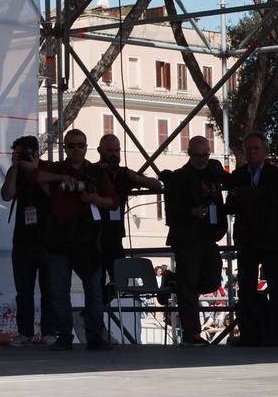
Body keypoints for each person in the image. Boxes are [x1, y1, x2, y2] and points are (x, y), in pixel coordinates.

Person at [27, 128, 119, 350]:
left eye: (80, 145)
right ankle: (64, 336)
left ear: (87, 147)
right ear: (65, 148)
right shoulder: (57, 168)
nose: (76, 149)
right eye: (71, 145)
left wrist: (95, 198)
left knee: (94, 290)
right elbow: (32, 176)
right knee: (58, 289)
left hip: (87, 237)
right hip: (59, 235)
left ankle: (95, 336)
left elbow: (114, 201)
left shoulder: (96, 172)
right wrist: (61, 177)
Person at [225, 132, 278, 347]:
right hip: (247, 239)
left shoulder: (277, 174)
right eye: (249, 149)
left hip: (272, 238)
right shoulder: (238, 174)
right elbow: (231, 205)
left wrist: (244, 195)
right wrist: (249, 196)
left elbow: (274, 202)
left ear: (265, 151)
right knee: (246, 286)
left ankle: (272, 333)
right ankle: (249, 332)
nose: (252, 152)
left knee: (276, 287)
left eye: (256, 148)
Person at [161, 135, 228, 346]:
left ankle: (174, 281)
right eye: (197, 155)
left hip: (209, 236)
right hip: (187, 238)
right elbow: (170, 213)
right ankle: (192, 332)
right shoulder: (179, 178)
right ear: (189, 154)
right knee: (189, 285)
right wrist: (191, 212)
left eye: (205, 155)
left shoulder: (213, 173)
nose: (201, 159)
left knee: (213, 279)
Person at [1, 134, 53, 346]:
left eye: (24, 153)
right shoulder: (15, 172)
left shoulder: (49, 168)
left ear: (35, 153)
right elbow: (7, 195)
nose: (21, 157)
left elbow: (53, 195)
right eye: (17, 153)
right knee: (24, 291)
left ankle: (49, 332)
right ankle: (25, 332)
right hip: (22, 239)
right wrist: (14, 169)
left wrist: (36, 172)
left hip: (47, 238)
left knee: (49, 289)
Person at [96, 133, 162, 297]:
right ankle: (95, 317)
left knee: (120, 281)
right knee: (95, 282)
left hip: (115, 236)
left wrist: (136, 178)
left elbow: (157, 186)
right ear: (100, 151)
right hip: (94, 235)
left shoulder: (124, 173)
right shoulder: (93, 171)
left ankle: (102, 305)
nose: (114, 154)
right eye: (110, 150)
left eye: (117, 150)